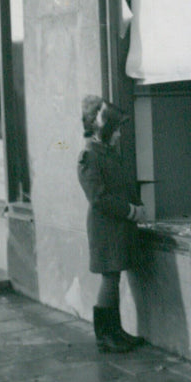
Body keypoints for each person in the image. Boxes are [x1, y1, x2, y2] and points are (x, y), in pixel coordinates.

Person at [77, 95, 147, 353]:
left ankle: (115, 332)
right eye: (115, 129)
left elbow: (124, 185)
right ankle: (106, 335)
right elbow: (99, 198)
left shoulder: (106, 153)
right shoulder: (89, 156)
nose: (118, 135)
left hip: (118, 226)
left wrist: (138, 205)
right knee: (110, 279)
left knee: (113, 277)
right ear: (103, 128)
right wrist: (131, 211)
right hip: (106, 228)